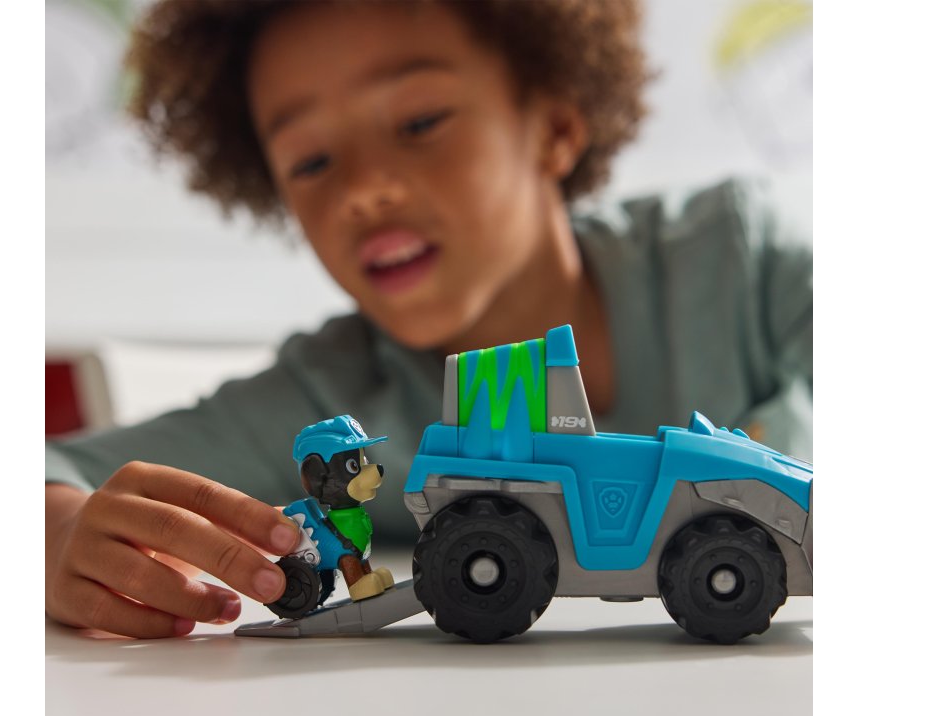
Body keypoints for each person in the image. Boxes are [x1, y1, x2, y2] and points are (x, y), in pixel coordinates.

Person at [45, 0, 813, 639]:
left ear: (554, 127)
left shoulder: (743, 265)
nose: (363, 190)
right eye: (311, 162)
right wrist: (55, 533)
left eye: (420, 122)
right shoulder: (326, 395)